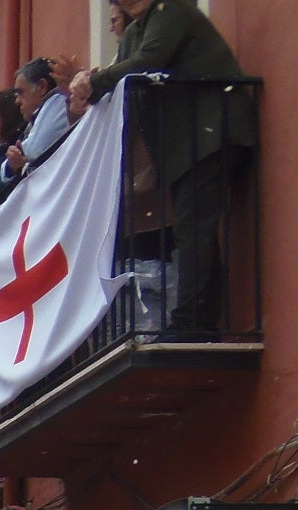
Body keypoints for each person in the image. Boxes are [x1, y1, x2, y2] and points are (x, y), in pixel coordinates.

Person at [72, 0, 252, 329]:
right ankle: (200, 316)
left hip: (209, 132)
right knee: (193, 229)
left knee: (192, 227)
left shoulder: (173, 10)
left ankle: (190, 322)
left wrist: (93, 83)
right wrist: (88, 90)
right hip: (187, 143)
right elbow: (121, 80)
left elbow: (148, 61)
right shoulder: (136, 31)